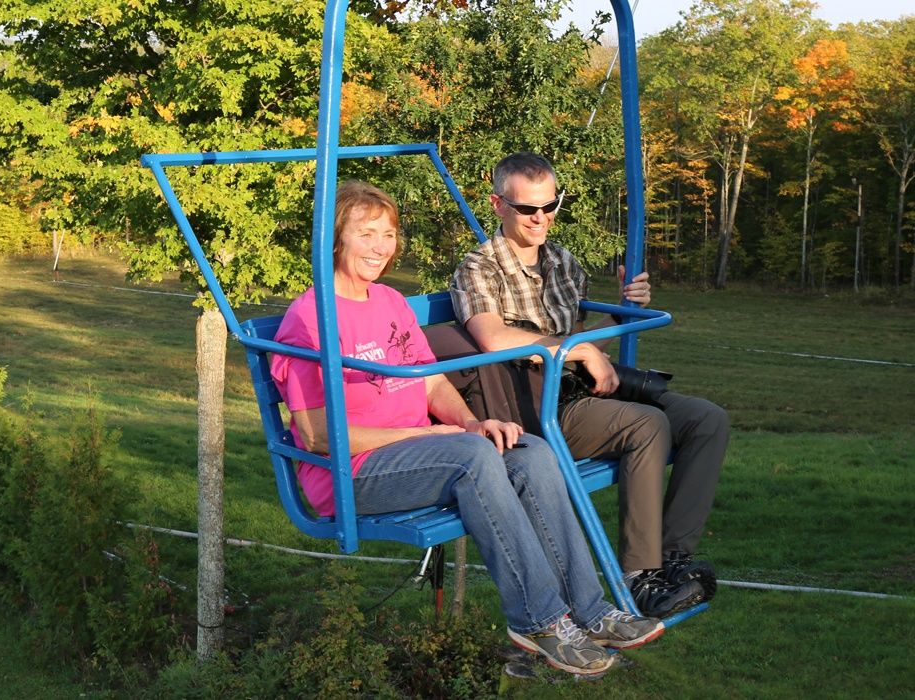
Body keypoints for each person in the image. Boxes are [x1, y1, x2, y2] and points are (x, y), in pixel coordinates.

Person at [271, 180, 663, 676]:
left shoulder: (388, 301)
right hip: (352, 472)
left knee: (528, 449)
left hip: (421, 452)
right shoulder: (310, 318)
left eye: (388, 234)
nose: (380, 246)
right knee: (473, 459)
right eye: (366, 233)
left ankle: (589, 609)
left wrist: (473, 422)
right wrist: (430, 437)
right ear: (335, 239)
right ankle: (538, 620)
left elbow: (432, 382)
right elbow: (317, 436)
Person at [449, 152, 730, 618]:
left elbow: (583, 336)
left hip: (579, 390)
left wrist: (619, 310)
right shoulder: (480, 268)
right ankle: (639, 576)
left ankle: (672, 558)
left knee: (706, 419)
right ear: (498, 205)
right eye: (527, 209)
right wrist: (576, 350)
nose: (541, 218)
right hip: (535, 401)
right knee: (646, 425)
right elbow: (492, 336)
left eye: (550, 205)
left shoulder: (561, 262)